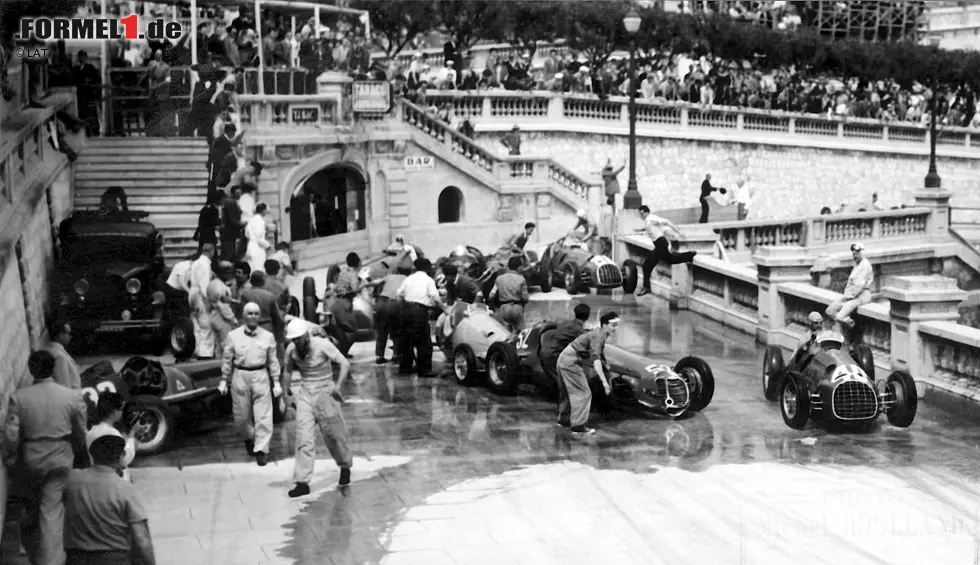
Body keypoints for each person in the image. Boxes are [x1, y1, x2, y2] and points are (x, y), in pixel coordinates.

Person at [6, 350, 89, 565]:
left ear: (32, 370)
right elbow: (80, 431)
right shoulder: (71, 396)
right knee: (51, 510)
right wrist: (77, 448)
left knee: (33, 508)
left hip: (31, 460)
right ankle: (51, 560)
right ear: (53, 369)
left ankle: (34, 553)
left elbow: (12, 433)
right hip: (60, 457)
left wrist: (11, 457)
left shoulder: (19, 397)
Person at [281, 320, 354, 497]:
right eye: (294, 340)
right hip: (305, 393)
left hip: (325, 392)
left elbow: (344, 363)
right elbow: (287, 370)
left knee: (334, 435)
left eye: (299, 339)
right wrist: (286, 393)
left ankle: (345, 465)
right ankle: (302, 481)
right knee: (304, 437)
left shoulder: (322, 345)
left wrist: (338, 386)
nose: (297, 342)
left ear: (306, 335)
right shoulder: (292, 349)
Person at [63, 435, 157, 565]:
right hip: (114, 559)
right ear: (121, 456)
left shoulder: (72, 479)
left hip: (76, 558)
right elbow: (141, 538)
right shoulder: (125, 489)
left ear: (93, 455)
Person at [219, 302, 282, 466]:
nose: (253, 316)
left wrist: (276, 381)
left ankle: (261, 449)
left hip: (260, 375)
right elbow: (227, 360)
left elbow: (273, 361)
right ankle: (249, 437)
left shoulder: (267, 336)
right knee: (241, 416)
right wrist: (224, 380)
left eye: (256, 313)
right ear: (243, 316)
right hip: (240, 375)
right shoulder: (233, 336)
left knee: (264, 416)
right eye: (250, 313)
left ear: (259, 316)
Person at [557, 312, 620, 436]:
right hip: (570, 361)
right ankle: (578, 426)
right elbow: (596, 360)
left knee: (567, 391)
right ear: (605, 325)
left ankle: (564, 419)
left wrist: (605, 364)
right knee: (583, 393)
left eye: (617, 325)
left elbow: (599, 354)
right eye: (613, 325)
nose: (615, 328)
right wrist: (604, 382)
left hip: (564, 358)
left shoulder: (598, 333)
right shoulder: (599, 336)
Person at [540, 303, 591, 428]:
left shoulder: (565, 324)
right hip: (554, 355)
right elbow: (584, 350)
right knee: (568, 386)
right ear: (587, 317)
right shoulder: (580, 331)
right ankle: (567, 418)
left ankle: (563, 417)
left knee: (561, 384)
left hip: (545, 352)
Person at [397, 258, 449, 377]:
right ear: (428, 268)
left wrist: (403, 306)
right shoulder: (428, 280)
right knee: (423, 341)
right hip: (419, 311)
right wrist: (445, 309)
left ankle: (405, 368)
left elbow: (399, 294)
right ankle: (424, 370)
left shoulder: (408, 279)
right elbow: (435, 297)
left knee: (406, 341)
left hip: (405, 310)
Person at [635, 205, 697, 297]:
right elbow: (650, 227)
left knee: (647, 265)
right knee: (670, 260)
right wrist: (639, 230)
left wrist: (679, 233)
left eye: (642, 213)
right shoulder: (648, 221)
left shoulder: (651, 218)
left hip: (661, 244)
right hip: (659, 244)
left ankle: (647, 288)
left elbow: (667, 222)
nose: (641, 216)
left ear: (646, 212)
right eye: (640, 214)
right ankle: (689, 255)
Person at [84, 393, 137, 476]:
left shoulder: (90, 431)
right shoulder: (113, 434)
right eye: (121, 409)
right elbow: (125, 460)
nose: (122, 412)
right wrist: (132, 436)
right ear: (114, 411)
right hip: (112, 476)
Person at [826, 243, 874, 331]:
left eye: (857, 253)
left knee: (840, 317)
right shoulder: (857, 265)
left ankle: (852, 327)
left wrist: (849, 297)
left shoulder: (865, 266)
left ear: (862, 253)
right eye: (854, 254)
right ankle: (848, 321)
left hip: (861, 296)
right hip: (850, 296)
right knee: (829, 311)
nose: (855, 256)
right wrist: (846, 296)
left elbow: (859, 285)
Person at [370, 263, 410, 365]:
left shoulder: (390, 276)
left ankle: (380, 356)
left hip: (381, 303)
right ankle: (396, 355)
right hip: (394, 304)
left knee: (381, 331)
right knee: (396, 330)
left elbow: (376, 283)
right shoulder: (407, 279)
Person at [327, 253, 364, 357]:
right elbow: (355, 288)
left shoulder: (343, 271)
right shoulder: (352, 274)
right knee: (352, 331)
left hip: (336, 303)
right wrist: (364, 283)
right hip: (344, 304)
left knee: (341, 332)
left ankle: (341, 353)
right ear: (358, 262)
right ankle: (341, 354)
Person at [488, 256, 529, 333]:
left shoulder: (499, 279)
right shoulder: (521, 279)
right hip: (517, 308)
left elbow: (491, 295)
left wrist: (494, 307)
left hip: (504, 309)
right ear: (519, 267)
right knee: (521, 333)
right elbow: (525, 297)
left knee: (506, 333)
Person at [189, 243, 216, 358]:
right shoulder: (205, 265)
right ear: (212, 251)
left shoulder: (195, 263)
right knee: (206, 324)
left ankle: (198, 349)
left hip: (192, 293)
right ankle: (205, 353)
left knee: (196, 325)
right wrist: (207, 302)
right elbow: (204, 286)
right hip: (200, 295)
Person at [208, 260, 239, 356]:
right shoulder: (220, 287)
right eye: (229, 273)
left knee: (218, 347)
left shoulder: (213, 283)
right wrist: (233, 319)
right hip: (222, 319)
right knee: (227, 346)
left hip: (213, 316)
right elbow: (223, 307)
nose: (230, 276)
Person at [44, 320, 81, 389]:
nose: (71, 336)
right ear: (61, 335)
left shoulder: (54, 349)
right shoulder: (59, 356)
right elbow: (64, 385)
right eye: (69, 334)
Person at [245, 202, 270, 273]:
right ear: (263, 210)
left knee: (252, 268)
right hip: (257, 248)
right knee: (258, 269)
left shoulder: (251, 220)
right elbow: (258, 238)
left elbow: (246, 234)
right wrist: (267, 245)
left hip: (250, 246)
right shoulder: (260, 221)